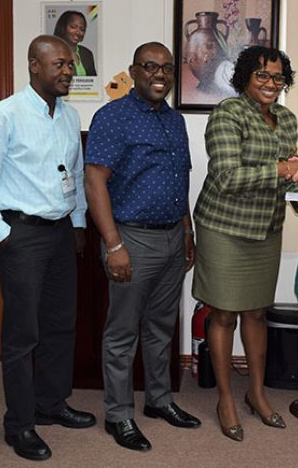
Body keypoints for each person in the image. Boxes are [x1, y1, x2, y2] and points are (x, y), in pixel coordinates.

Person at [0, 35, 95, 462]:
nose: (67, 71)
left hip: (60, 232)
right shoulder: (3, 115)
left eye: (70, 64)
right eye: (59, 63)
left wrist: (77, 225)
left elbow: (73, 176)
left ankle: (50, 404)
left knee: (61, 325)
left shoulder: (68, 115)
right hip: (20, 234)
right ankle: (19, 425)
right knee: (23, 335)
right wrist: (4, 235)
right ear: (33, 65)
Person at [193, 45, 298, 442]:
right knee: (225, 314)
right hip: (225, 228)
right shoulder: (228, 114)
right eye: (261, 75)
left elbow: (287, 174)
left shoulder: (287, 119)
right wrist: (283, 167)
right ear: (245, 76)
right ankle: (226, 398)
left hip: (265, 229)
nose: (270, 84)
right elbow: (228, 176)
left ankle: (257, 394)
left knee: (257, 313)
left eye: (278, 77)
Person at [84, 41, 201, 452]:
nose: (160, 74)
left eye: (167, 68)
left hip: (172, 237)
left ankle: (159, 400)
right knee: (121, 334)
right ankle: (118, 414)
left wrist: (186, 231)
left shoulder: (176, 121)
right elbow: (94, 180)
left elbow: (178, 179)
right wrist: (113, 245)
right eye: (150, 67)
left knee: (160, 328)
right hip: (131, 236)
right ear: (133, 71)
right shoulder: (113, 117)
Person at [53, 10, 97, 76]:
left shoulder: (87, 54)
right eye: (73, 27)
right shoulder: (52, 53)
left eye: (82, 29)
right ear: (63, 27)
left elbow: (95, 82)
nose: (78, 32)